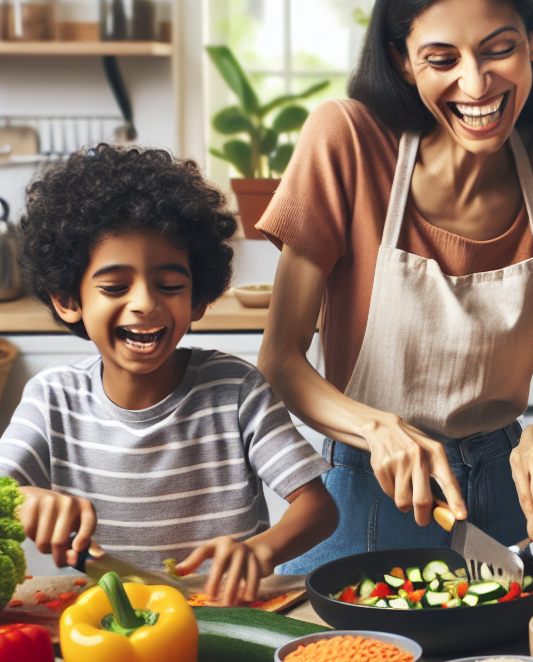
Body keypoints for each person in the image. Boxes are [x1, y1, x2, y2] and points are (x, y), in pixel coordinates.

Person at [256, 0, 533, 567]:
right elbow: (281, 360)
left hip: (501, 490)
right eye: (442, 60)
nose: (476, 85)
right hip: (364, 490)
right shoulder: (347, 142)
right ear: (402, 62)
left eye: (499, 49)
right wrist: (377, 428)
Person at [3, 145, 337, 604]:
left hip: (225, 615)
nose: (144, 302)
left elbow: (319, 509)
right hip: (110, 623)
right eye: (115, 286)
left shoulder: (236, 390)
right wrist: (24, 501)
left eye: (171, 286)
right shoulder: (52, 398)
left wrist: (260, 551)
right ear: (67, 298)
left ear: (199, 299)